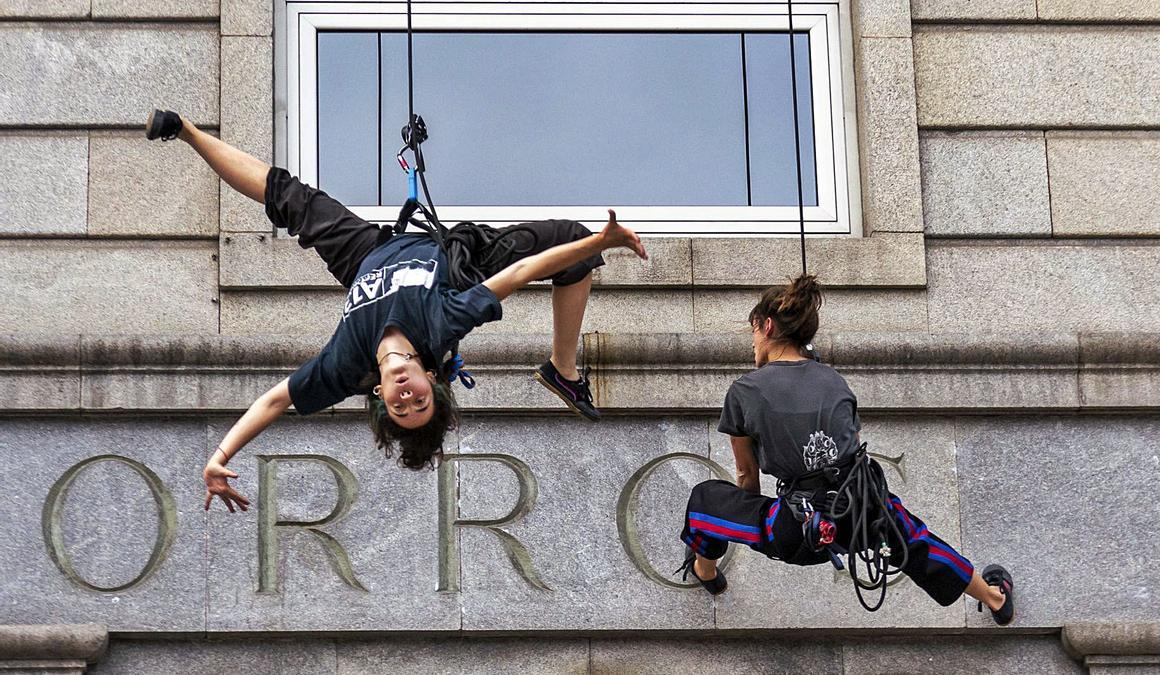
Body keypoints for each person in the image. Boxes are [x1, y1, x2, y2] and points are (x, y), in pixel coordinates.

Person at [142, 110, 647, 512]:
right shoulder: (440, 323)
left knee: (290, 198)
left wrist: (221, 455)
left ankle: (185, 130)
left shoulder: (345, 364)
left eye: (399, 407)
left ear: (380, 393)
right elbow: (516, 276)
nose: (407, 398)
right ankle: (563, 369)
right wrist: (600, 240)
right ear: (431, 378)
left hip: (367, 256)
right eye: (420, 403)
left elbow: (273, 403)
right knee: (576, 245)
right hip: (458, 260)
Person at [677, 275, 1015, 625]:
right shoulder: (835, 381)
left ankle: (705, 569)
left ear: (767, 325)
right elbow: (850, 448)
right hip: (859, 518)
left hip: (794, 530)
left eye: (753, 334)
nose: (752, 344)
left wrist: (747, 517)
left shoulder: (744, 390)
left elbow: (747, 477)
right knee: (914, 540)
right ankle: (994, 597)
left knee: (706, 501)